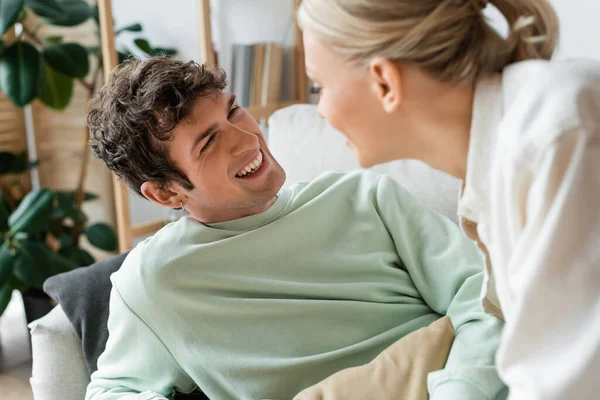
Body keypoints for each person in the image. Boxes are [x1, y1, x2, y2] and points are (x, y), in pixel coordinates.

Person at [84, 57, 505, 400]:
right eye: (209, 143)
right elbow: (111, 391)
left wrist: (462, 390)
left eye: (233, 111)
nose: (246, 138)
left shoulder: (365, 197)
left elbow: (483, 294)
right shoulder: (155, 283)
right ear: (165, 194)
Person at [298, 0, 600, 399]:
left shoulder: (556, 135)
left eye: (320, 86)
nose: (320, 110)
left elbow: (564, 384)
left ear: (385, 82)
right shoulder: (494, 167)